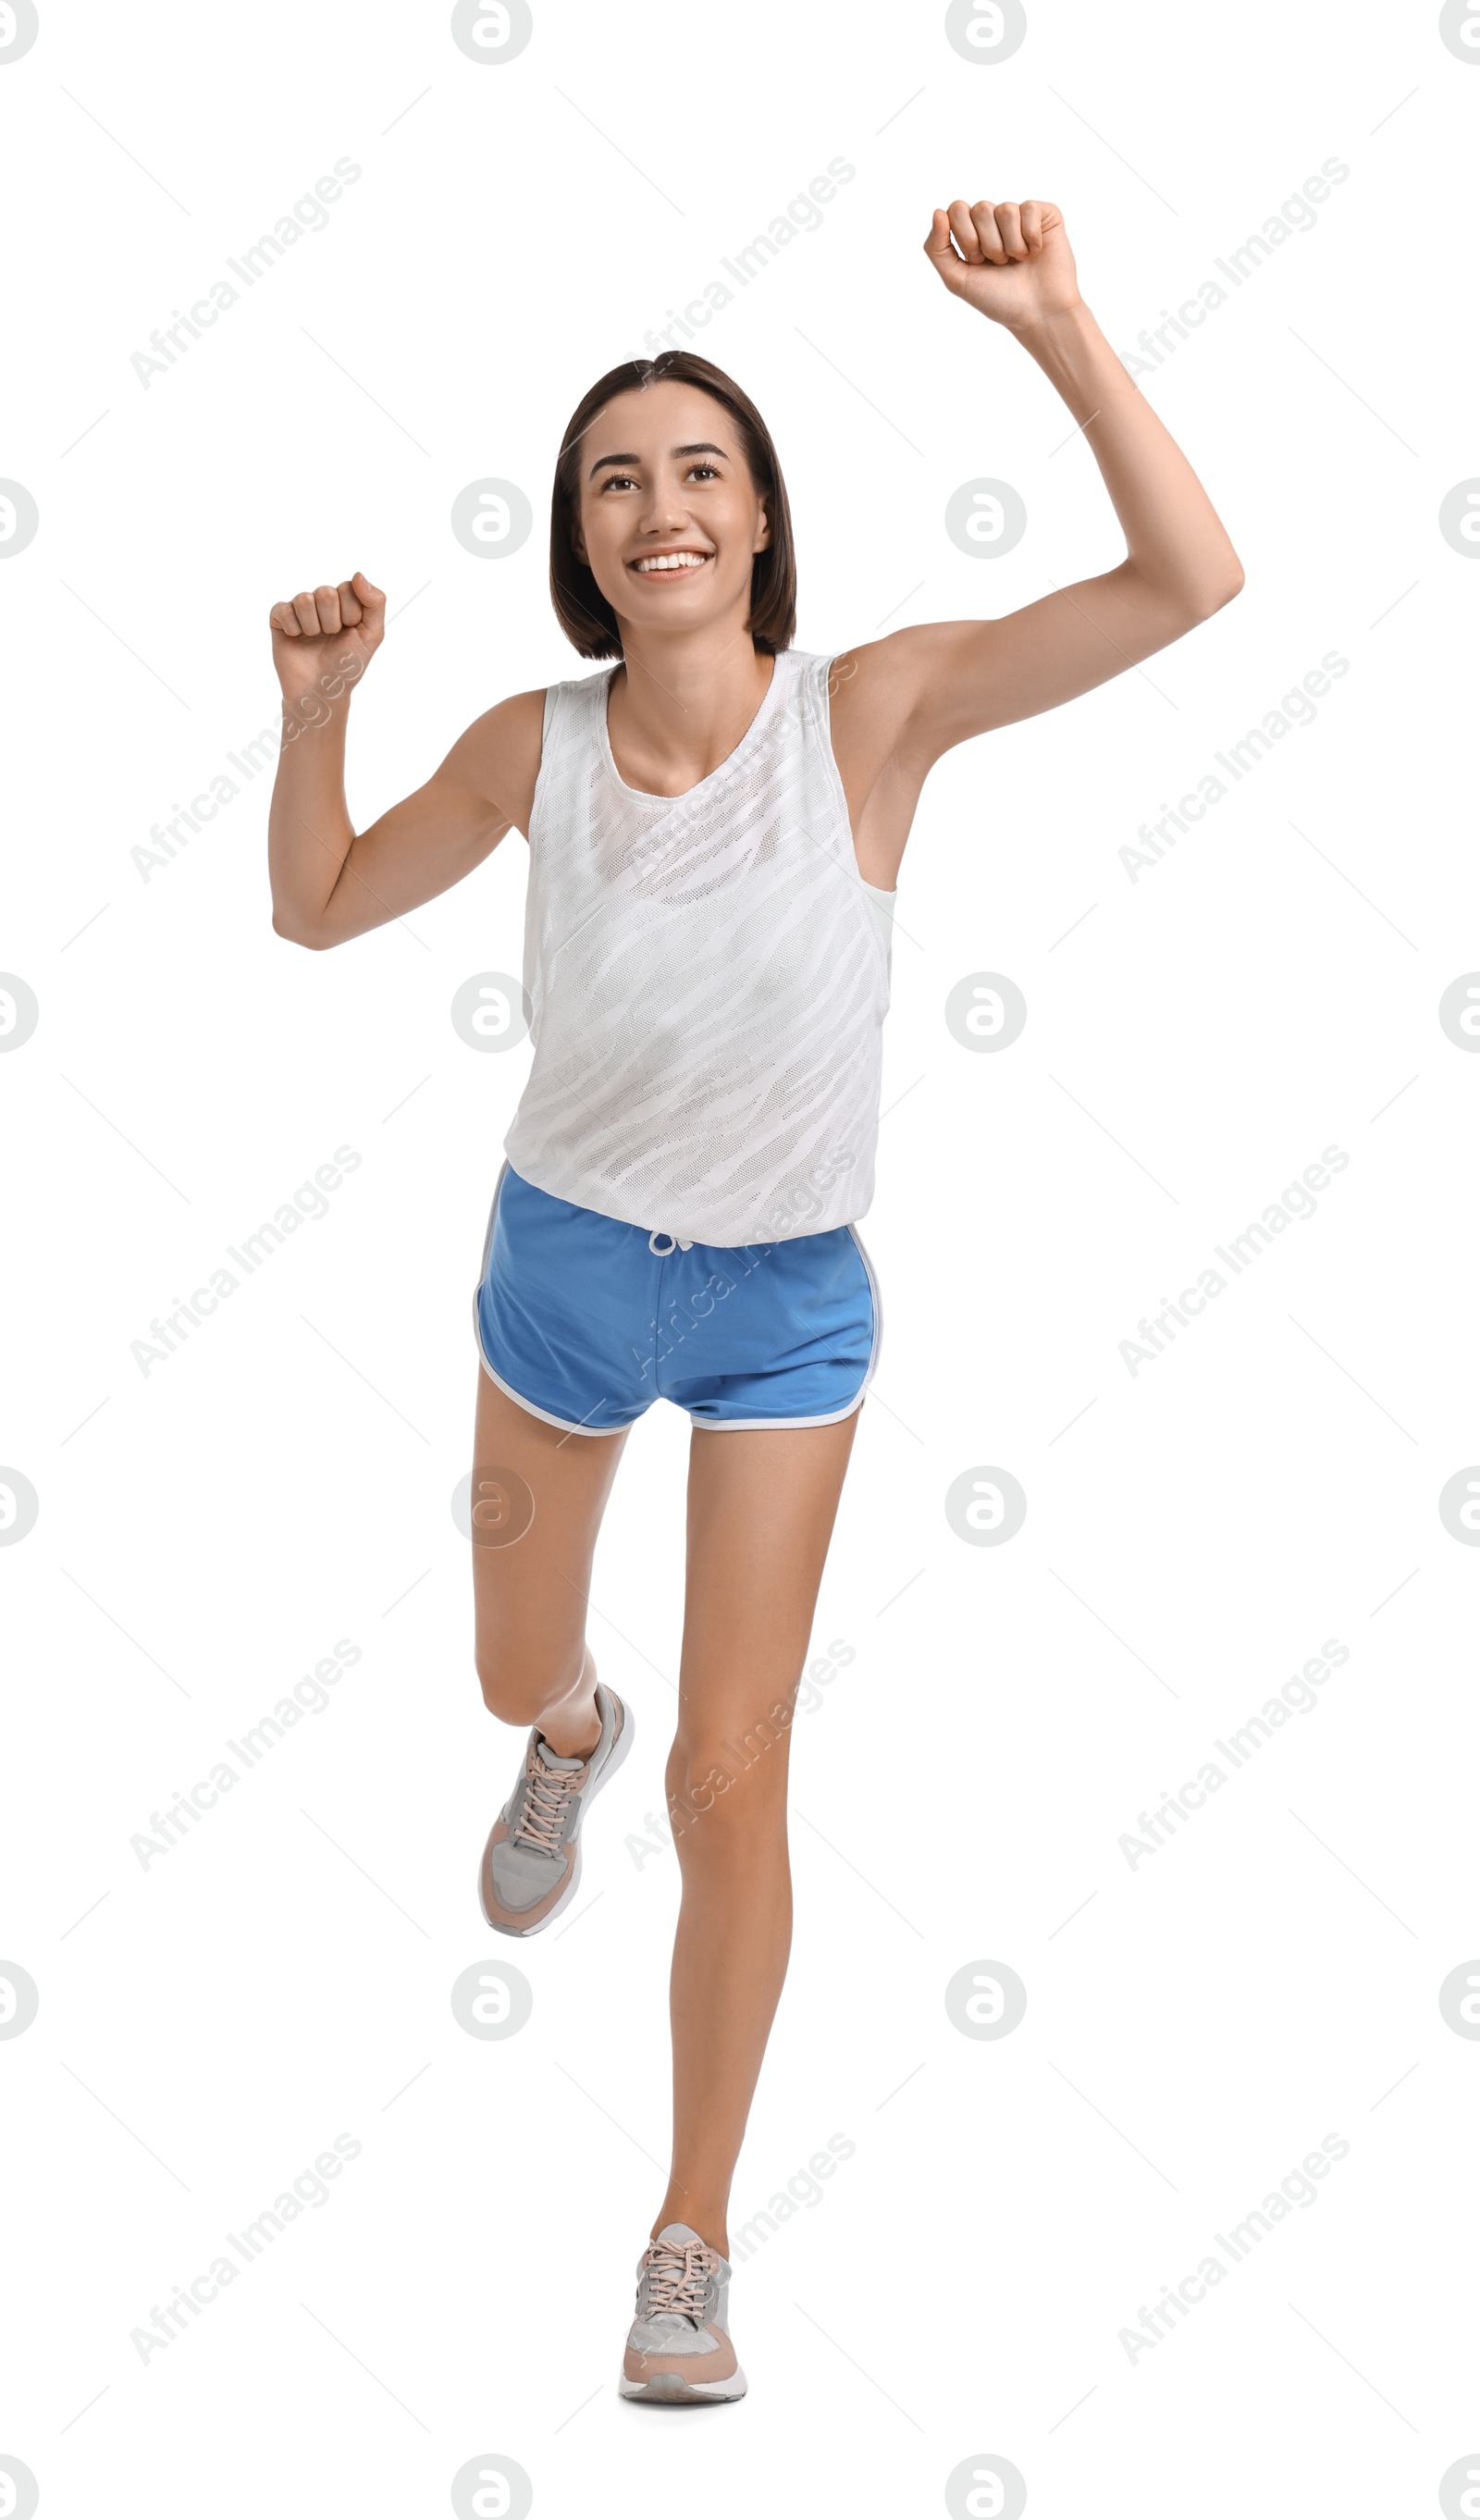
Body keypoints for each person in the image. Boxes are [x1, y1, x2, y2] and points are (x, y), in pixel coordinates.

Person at [265, 195, 1242, 2404]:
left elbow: (1190, 583)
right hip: (568, 1277)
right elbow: (316, 907)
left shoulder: (874, 712)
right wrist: (319, 710)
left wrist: (1060, 326)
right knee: (516, 1660)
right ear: (581, 545)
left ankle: (687, 2236)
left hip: (788, 1308)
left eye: (698, 465)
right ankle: (559, 1732)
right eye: (615, 478)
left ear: (760, 517)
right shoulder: (529, 747)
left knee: (738, 1774)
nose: (658, 502)